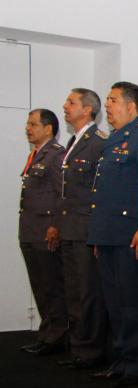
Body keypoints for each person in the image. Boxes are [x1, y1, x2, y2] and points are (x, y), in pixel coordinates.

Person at [87, 82, 138, 387]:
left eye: (113, 101)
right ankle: (121, 359)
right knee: (114, 303)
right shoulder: (113, 140)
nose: (109, 106)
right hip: (109, 234)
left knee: (133, 302)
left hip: (130, 234)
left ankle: (137, 363)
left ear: (131, 106)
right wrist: (98, 234)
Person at [55, 89, 109, 369]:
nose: (65, 106)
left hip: (87, 227)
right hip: (70, 227)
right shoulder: (73, 141)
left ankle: (91, 349)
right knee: (74, 290)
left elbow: (100, 191)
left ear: (87, 110)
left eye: (72, 102)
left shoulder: (98, 142)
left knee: (89, 291)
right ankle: (79, 346)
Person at [18, 109, 68, 356]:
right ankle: (47, 332)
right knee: (39, 284)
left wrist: (56, 225)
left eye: (34, 124)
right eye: (28, 124)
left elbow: (63, 193)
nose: (28, 128)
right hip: (29, 229)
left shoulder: (56, 156)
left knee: (51, 285)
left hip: (45, 230)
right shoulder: (36, 155)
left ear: (48, 128)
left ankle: (57, 335)